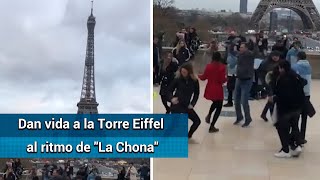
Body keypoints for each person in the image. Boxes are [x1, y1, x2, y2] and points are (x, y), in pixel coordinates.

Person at [272, 60, 306, 158]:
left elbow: (280, 94)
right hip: (297, 107)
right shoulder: (295, 76)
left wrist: (275, 98)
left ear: (282, 68)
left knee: (282, 128)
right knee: (294, 126)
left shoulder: (283, 79)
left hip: (286, 108)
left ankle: (286, 149)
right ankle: (296, 146)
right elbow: (303, 83)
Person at [168, 62, 201, 138]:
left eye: (185, 72)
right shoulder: (177, 79)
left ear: (189, 72)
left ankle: (188, 135)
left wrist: (192, 104)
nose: (183, 74)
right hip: (176, 105)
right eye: (182, 72)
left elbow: (196, 94)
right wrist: (171, 98)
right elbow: (169, 90)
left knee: (197, 121)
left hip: (186, 105)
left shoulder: (194, 81)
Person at [199, 52, 227, 133]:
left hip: (210, 88)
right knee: (219, 107)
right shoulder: (222, 67)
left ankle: (209, 115)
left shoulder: (208, 66)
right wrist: (227, 79)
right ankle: (212, 126)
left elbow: (204, 77)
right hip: (218, 89)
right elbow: (222, 80)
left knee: (215, 103)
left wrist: (198, 76)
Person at [292, 51, 312, 145]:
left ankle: (295, 136)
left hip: (297, 94)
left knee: (295, 116)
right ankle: (302, 137)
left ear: (298, 57)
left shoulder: (295, 67)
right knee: (304, 117)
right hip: (307, 94)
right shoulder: (309, 67)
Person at [233, 42, 255, 127]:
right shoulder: (240, 55)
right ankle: (239, 116)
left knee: (244, 101)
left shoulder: (249, 55)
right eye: (240, 47)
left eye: (242, 47)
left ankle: (248, 118)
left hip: (247, 80)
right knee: (236, 100)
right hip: (239, 78)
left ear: (246, 48)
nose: (240, 49)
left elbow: (253, 53)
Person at [258, 51, 284, 121]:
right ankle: (273, 117)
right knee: (272, 99)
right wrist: (264, 83)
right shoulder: (265, 63)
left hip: (276, 83)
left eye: (277, 56)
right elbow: (260, 73)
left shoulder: (280, 62)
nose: (276, 57)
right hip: (268, 83)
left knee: (272, 99)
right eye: (274, 56)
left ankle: (264, 114)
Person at [224, 39, 238, 107]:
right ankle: (233, 101)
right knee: (232, 88)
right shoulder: (236, 54)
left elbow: (230, 64)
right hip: (233, 73)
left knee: (230, 88)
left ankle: (230, 102)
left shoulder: (231, 55)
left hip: (232, 73)